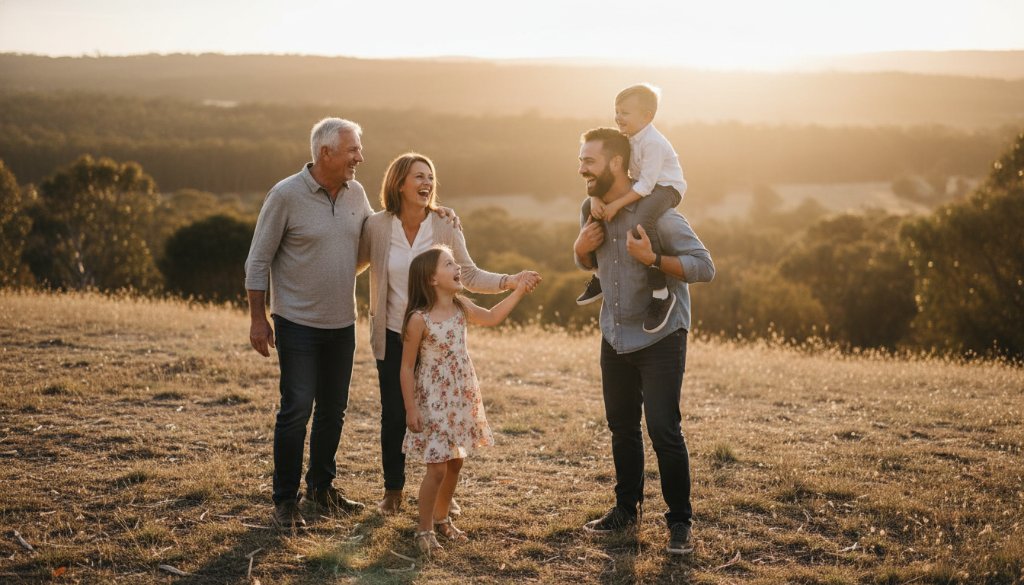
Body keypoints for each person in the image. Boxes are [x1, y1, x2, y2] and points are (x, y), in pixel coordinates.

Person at [357, 152, 540, 516]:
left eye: (430, 177)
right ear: (398, 183)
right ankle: (393, 491)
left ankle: (442, 494)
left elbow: (468, 274)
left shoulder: (444, 223)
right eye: (418, 177)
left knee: (443, 414)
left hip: (438, 339)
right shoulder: (376, 226)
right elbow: (355, 264)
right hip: (394, 333)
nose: (426, 183)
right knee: (395, 414)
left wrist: (509, 281)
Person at [573, 127, 714, 555]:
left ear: (616, 163)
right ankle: (625, 510)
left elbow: (704, 267)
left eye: (589, 161)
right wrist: (579, 247)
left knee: (663, 429)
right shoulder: (590, 208)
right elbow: (587, 260)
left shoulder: (659, 215)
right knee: (621, 427)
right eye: (580, 160)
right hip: (614, 333)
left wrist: (652, 259)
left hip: (661, 336)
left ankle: (679, 522)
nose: (581, 169)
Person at [244, 117, 371, 530]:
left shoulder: (357, 194)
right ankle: (285, 500)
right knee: (296, 409)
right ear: (325, 153)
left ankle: (321, 488)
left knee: (333, 409)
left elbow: (373, 242)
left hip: (342, 323)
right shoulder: (285, 195)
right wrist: (258, 319)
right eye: (352, 150)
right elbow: (258, 260)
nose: (359, 157)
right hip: (296, 322)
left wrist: (426, 214)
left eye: (359, 149)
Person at [399, 245, 534, 555]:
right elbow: (406, 367)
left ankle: (442, 518)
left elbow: (492, 317)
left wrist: (518, 290)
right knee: (436, 468)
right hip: (433, 400)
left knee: (456, 461)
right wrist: (410, 408)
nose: (457, 266)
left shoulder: (460, 306)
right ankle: (424, 530)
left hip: (460, 395)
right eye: (449, 264)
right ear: (432, 279)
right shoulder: (418, 319)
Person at [576, 83, 688, 335]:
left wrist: (615, 204)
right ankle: (599, 275)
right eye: (617, 111)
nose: (618, 117)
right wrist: (595, 198)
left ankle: (660, 293)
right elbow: (607, 173)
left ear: (647, 116)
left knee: (642, 219)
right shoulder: (626, 139)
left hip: (665, 188)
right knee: (587, 209)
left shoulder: (653, 143)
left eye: (625, 112)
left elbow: (647, 186)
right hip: (643, 186)